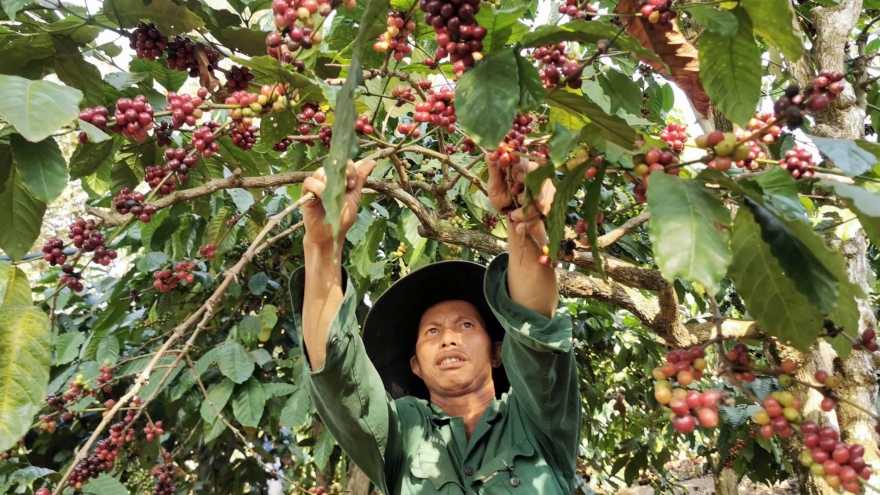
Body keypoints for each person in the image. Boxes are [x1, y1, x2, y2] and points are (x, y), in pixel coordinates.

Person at [290, 156, 580, 494]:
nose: (449, 338)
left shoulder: (536, 420)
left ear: (496, 352)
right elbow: (339, 377)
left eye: (467, 326)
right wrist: (323, 247)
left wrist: (523, 215)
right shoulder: (400, 434)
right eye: (432, 331)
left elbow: (536, 332)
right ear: (415, 365)